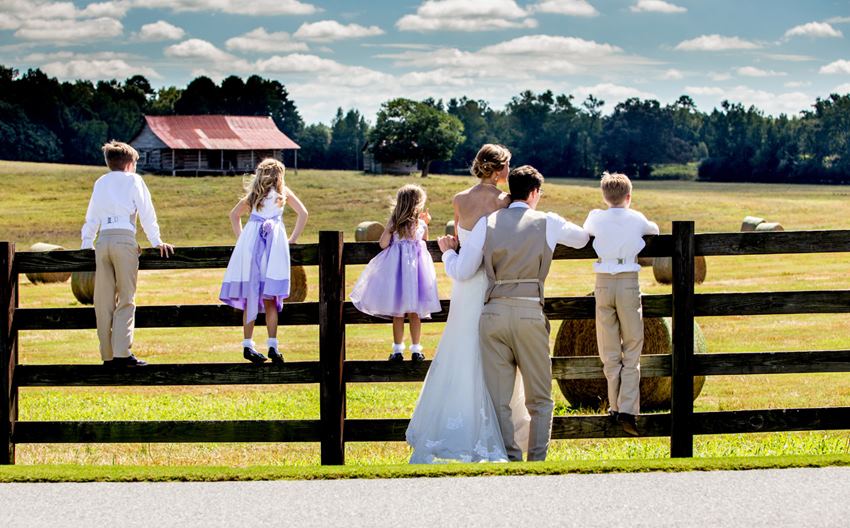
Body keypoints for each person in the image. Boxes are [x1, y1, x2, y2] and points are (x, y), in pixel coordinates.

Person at [438, 165, 589, 461]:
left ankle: (510, 459)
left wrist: (446, 253)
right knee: (541, 399)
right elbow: (582, 238)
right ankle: (537, 461)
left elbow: (464, 270)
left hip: (493, 314)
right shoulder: (548, 221)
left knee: (498, 399)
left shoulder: (488, 223)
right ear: (534, 193)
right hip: (528, 312)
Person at [406, 144, 530, 463]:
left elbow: (461, 243)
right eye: (508, 166)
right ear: (500, 169)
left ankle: (453, 425)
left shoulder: (459, 199)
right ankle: (493, 432)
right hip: (488, 283)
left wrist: (450, 250)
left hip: (464, 287)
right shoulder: (504, 201)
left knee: (460, 349)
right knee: (487, 353)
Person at [81, 141, 174, 367]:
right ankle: (122, 353)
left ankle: (107, 355)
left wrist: (86, 243)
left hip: (102, 241)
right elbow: (146, 213)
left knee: (102, 301)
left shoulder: (100, 182)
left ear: (109, 162)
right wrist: (156, 241)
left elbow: (92, 216)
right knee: (126, 298)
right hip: (124, 239)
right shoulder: (134, 180)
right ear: (130, 164)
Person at [582, 172, 659, 436]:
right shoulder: (636, 218)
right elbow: (655, 230)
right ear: (629, 196)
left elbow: (586, 232)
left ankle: (614, 405)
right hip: (627, 281)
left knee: (609, 347)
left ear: (604, 196)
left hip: (602, 282)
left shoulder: (596, 216)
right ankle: (628, 408)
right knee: (633, 346)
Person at [219, 159, 308, 364]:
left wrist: (242, 237)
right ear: (280, 176)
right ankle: (273, 345)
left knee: (251, 296)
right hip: (274, 247)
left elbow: (234, 216)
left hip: (252, 245)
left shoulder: (254, 196)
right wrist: (292, 238)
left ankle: (248, 344)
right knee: (271, 299)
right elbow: (303, 213)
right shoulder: (282, 194)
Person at [350, 184, 440, 362]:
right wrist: (424, 223)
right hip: (415, 274)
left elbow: (383, 244)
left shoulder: (396, 223)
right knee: (414, 313)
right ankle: (416, 349)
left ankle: (398, 349)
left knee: (398, 313)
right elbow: (425, 242)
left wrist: (390, 229)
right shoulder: (419, 224)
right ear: (417, 204)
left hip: (399, 274)